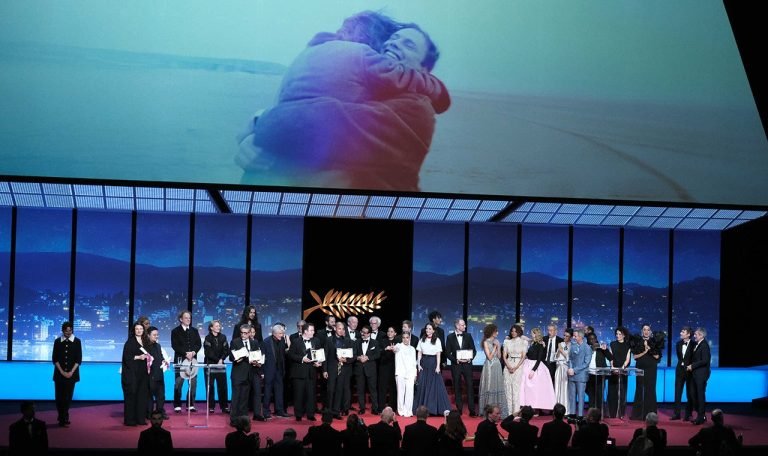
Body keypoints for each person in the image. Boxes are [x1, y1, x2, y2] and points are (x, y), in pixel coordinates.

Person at [237, 11, 450, 192]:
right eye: (393, 38)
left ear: (424, 69)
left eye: (409, 45)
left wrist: (260, 122)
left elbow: (323, 126)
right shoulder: (368, 86)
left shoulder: (417, 109)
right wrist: (259, 145)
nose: (395, 43)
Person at [287, 322, 323, 421]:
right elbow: (290, 355)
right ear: (305, 331)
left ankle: (310, 414)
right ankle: (298, 414)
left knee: (311, 395)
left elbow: (319, 354)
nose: (313, 332)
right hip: (299, 373)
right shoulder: (296, 341)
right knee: (298, 394)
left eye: (313, 330)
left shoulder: (316, 340)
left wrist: (318, 363)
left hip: (312, 372)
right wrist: (302, 359)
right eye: (311, 330)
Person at [413, 323, 452, 415]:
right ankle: (422, 409)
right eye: (427, 328)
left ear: (433, 330)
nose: (428, 330)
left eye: (430, 329)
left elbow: (438, 354)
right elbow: (419, 353)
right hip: (424, 362)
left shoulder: (437, 340)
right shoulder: (422, 339)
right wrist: (418, 364)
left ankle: (434, 409)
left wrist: (438, 366)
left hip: (433, 362)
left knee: (434, 385)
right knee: (423, 385)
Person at [630, 324, 663, 420]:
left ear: (650, 331)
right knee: (639, 389)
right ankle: (638, 414)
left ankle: (651, 415)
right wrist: (644, 351)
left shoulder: (655, 342)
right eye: (644, 329)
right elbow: (635, 357)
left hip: (651, 368)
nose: (646, 331)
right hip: (640, 368)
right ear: (642, 331)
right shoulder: (637, 341)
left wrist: (650, 349)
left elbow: (657, 356)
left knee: (650, 389)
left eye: (648, 330)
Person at [519, 327, 556, 414]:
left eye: (532, 333)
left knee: (535, 388)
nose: (531, 334)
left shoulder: (540, 345)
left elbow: (539, 359)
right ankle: (527, 407)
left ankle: (535, 408)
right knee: (526, 388)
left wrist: (533, 370)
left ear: (536, 334)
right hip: (528, 364)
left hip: (535, 366)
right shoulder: (532, 343)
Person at [170, 310, 201, 414]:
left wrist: (193, 352)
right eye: (186, 318)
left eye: (189, 318)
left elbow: (198, 344)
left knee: (193, 383)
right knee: (178, 383)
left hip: (193, 360)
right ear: (181, 319)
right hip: (180, 360)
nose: (188, 319)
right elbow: (175, 345)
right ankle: (177, 405)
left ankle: (190, 404)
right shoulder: (175, 331)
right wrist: (185, 353)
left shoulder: (194, 331)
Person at [52, 320, 81, 427]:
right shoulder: (57, 341)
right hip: (59, 374)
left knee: (68, 397)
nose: (68, 332)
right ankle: (62, 417)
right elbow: (55, 359)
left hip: (72, 375)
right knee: (59, 397)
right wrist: (62, 372)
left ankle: (64, 417)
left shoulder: (77, 341)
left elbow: (78, 359)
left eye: (70, 330)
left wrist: (71, 372)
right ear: (63, 331)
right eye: (66, 331)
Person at [445, 318, 477, 416]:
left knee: (470, 386)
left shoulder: (468, 336)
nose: (465, 326)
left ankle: (472, 410)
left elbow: (474, 350)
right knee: (457, 387)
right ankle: (459, 409)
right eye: (463, 325)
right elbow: (447, 353)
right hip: (456, 365)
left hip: (467, 365)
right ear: (457, 326)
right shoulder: (450, 337)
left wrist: (469, 359)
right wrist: (456, 360)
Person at [324, 320, 355, 419]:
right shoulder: (328, 340)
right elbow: (325, 356)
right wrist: (324, 370)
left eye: (343, 329)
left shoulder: (348, 341)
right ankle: (328, 411)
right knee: (330, 390)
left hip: (343, 369)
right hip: (331, 369)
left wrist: (346, 360)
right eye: (339, 328)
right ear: (335, 329)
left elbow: (353, 356)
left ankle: (336, 412)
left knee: (339, 390)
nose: (341, 331)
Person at [122, 321, 150, 426]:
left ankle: (140, 419)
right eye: (137, 329)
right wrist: (139, 357)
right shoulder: (130, 342)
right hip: (132, 373)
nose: (139, 331)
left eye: (141, 329)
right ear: (134, 330)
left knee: (142, 396)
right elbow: (127, 357)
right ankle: (130, 420)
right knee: (132, 395)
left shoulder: (146, 342)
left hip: (143, 372)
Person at [262, 323, 290, 419]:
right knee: (267, 392)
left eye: (282, 333)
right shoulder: (266, 342)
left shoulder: (282, 341)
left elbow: (283, 354)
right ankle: (266, 411)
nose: (282, 335)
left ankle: (279, 411)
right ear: (274, 333)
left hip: (279, 370)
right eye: (280, 333)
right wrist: (262, 372)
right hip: (269, 370)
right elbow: (262, 357)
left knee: (279, 391)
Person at [479, 324, 508, 417]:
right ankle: (489, 411)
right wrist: (495, 347)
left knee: (497, 385)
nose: (497, 333)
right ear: (491, 332)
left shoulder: (497, 341)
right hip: (489, 367)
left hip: (497, 366)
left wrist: (498, 347)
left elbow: (499, 356)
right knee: (490, 386)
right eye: (496, 331)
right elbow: (490, 357)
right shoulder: (486, 342)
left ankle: (498, 411)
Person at [229, 323, 254, 425]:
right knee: (236, 398)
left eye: (245, 333)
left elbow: (257, 355)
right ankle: (234, 420)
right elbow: (231, 357)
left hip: (248, 374)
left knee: (244, 399)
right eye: (242, 333)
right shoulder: (235, 342)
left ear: (249, 333)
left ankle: (243, 420)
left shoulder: (254, 342)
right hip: (237, 375)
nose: (243, 335)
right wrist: (236, 358)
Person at [203, 319, 230, 414]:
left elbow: (226, 350)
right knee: (210, 386)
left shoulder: (223, 337)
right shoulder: (207, 338)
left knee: (223, 386)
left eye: (219, 326)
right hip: (210, 365)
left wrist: (222, 359)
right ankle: (211, 406)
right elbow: (208, 352)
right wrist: (217, 360)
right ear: (211, 328)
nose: (219, 327)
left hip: (221, 364)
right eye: (216, 326)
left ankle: (224, 406)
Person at [354, 325, 381, 414]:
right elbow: (353, 354)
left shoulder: (375, 342)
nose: (363, 334)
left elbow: (377, 354)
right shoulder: (356, 342)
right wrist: (358, 358)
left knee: (373, 389)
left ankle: (375, 408)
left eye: (365, 333)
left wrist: (368, 357)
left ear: (369, 334)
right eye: (362, 332)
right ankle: (362, 408)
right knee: (360, 390)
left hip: (371, 369)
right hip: (359, 369)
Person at [670, 326, 694, 421]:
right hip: (679, 370)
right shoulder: (678, 344)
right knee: (677, 392)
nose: (680, 333)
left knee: (690, 393)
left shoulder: (694, 344)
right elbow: (680, 358)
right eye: (681, 331)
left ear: (688, 334)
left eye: (683, 332)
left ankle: (688, 414)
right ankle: (677, 414)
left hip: (689, 371)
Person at [688, 327, 712, 425]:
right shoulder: (698, 344)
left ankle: (700, 417)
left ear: (701, 335)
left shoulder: (704, 345)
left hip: (701, 374)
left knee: (700, 395)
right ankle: (701, 414)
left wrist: (692, 366)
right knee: (693, 394)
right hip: (695, 374)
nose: (694, 336)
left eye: (696, 334)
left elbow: (705, 360)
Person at [607, 326, 631, 419]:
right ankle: (612, 413)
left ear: (624, 335)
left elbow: (627, 359)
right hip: (613, 371)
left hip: (623, 371)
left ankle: (621, 413)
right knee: (612, 392)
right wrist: (612, 367)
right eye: (616, 334)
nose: (617, 335)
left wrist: (622, 368)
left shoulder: (628, 345)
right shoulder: (612, 344)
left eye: (619, 334)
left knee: (622, 393)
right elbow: (611, 357)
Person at [503, 324, 528, 416]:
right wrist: (508, 366)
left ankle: (515, 413)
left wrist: (516, 367)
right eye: (512, 331)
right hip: (508, 365)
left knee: (516, 390)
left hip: (518, 366)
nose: (513, 333)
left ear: (519, 332)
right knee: (507, 389)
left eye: (515, 331)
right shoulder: (507, 342)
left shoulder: (523, 342)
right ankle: (508, 413)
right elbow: (504, 356)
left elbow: (523, 356)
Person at [567, 329, 592, 418]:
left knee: (581, 396)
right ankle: (572, 413)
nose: (573, 337)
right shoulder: (573, 346)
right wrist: (570, 368)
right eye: (573, 336)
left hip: (581, 375)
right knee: (572, 396)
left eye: (575, 336)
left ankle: (580, 415)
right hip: (572, 375)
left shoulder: (587, 348)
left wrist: (574, 370)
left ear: (581, 337)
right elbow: (570, 359)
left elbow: (586, 363)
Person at [146, 326, 169, 420]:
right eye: (154, 335)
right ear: (148, 335)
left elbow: (160, 357)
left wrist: (164, 361)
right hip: (150, 375)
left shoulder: (158, 346)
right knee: (149, 396)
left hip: (159, 373)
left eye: (157, 335)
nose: (156, 336)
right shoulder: (145, 347)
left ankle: (160, 412)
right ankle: (149, 413)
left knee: (161, 395)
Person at [586, 332, 613, 411]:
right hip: (589, 374)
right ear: (588, 340)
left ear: (596, 339)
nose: (592, 340)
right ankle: (591, 411)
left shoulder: (601, 348)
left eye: (594, 339)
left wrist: (605, 350)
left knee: (599, 394)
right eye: (590, 339)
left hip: (600, 375)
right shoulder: (586, 348)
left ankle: (600, 412)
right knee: (591, 394)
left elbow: (610, 357)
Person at [394, 331, 418, 417]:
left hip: (410, 373)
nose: (405, 339)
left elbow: (414, 362)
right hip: (400, 373)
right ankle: (401, 411)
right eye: (403, 337)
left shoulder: (412, 349)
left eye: (407, 337)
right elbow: (394, 349)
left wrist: (415, 374)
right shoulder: (398, 346)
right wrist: (392, 348)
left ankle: (408, 411)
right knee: (400, 393)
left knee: (410, 393)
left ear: (409, 338)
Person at [377, 326, 398, 410]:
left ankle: (392, 407)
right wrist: (386, 349)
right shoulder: (382, 341)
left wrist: (395, 351)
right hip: (384, 367)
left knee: (393, 388)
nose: (389, 333)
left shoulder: (398, 342)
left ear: (395, 333)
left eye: (392, 331)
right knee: (382, 387)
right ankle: (381, 407)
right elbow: (378, 353)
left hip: (394, 367)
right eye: (388, 331)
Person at [553, 329, 572, 415]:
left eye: (567, 336)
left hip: (566, 368)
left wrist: (562, 351)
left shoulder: (572, 345)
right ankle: (556, 409)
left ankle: (566, 410)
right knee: (557, 387)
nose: (565, 337)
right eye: (564, 335)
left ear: (570, 337)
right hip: (559, 368)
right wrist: (558, 351)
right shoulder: (561, 344)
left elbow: (569, 358)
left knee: (565, 388)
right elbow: (556, 357)